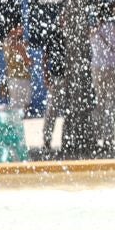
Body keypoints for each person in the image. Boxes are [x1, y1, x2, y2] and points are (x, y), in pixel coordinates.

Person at [90, 17, 115, 153]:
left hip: (98, 68)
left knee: (100, 103)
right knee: (111, 105)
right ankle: (108, 139)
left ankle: (95, 136)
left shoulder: (93, 30)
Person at [40, 18, 68, 154]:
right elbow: (45, 57)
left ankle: (66, 139)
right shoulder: (55, 35)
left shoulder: (71, 35)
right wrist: (46, 76)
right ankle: (46, 139)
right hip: (57, 77)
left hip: (68, 78)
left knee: (66, 111)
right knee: (52, 110)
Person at [0, 24, 34, 109]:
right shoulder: (11, 43)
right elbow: (28, 61)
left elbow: (29, 62)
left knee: (23, 105)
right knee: (17, 106)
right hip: (15, 78)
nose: (21, 30)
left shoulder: (20, 43)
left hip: (23, 77)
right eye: (18, 27)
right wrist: (24, 54)